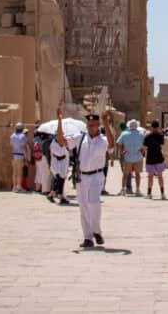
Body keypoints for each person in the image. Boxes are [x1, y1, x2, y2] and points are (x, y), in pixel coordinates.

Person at [57, 106, 116, 248]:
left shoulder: (102, 140)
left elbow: (112, 145)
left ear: (98, 126)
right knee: (83, 207)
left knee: (94, 203)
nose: (91, 128)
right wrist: (59, 121)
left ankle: (97, 231)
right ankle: (88, 237)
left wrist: (106, 124)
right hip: (82, 176)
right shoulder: (80, 138)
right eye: (89, 125)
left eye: (94, 125)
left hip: (96, 176)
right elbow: (61, 140)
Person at [116, 119, 146, 196]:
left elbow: (118, 143)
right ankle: (138, 190)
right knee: (137, 174)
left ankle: (123, 189)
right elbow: (145, 144)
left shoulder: (124, 133)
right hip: (138, 156)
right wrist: (142, 150)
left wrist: (122, 151)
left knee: (125, 174)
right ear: (137, 126)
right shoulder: (141, 134)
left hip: (128, 156)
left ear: (129, 126)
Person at [143, 120, 167, 199]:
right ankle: (162, 194)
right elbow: (162, 145)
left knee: (150, 177)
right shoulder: (161, 136)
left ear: (151, 127)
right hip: (159, 158)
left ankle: (149, 194)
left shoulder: (148, 136)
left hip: (150, 158)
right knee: (160, 176)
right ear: (158, 127)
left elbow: (145, 148)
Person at [48, 127, 71, 204]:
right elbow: (59, 155)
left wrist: (66, 147)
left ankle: (60, 197)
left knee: (61, 181)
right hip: (57, 166)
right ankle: (52, 195)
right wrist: (65, 149)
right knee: (58, 181)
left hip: (63, 166)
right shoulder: (53, 144)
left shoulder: (63, 143)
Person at [9, 124, 28, 193]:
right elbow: (23, 147)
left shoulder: (12, 136)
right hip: (20, 156)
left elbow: (11, 145)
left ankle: (14, 187)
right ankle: (19, 187)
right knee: (19, 173)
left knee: (14, 172)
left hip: (14, 156)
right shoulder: (22, 136)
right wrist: (26, 157)